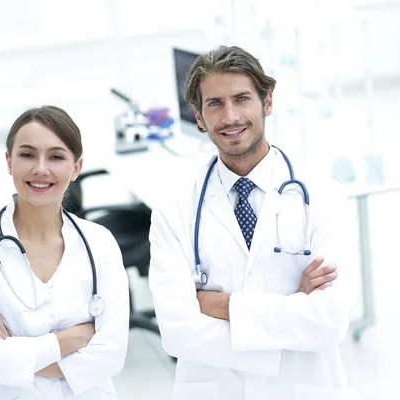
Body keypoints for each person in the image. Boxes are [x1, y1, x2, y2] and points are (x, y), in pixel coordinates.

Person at [148, 45, 354, 400]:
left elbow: (330, 320)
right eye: (215, 103)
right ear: (198, 116)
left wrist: (217, 305)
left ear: (267, 102)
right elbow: (176, 331)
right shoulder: (174, 205)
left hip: (301, 388)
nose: (230, 117)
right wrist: (291, 310)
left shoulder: (323, 195)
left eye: (242, 98)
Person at [0, 106, 130, 400]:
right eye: (27, 154)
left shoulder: (100, 243)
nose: (41, 168)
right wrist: (70, 339)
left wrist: (14, 347)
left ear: (76, 168)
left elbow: (111, 356)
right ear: (9, 162)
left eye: (56, 156)